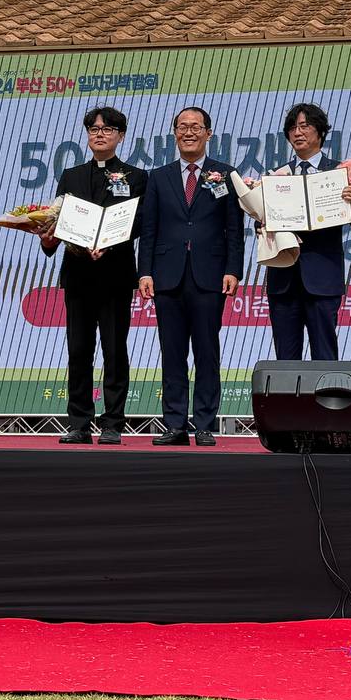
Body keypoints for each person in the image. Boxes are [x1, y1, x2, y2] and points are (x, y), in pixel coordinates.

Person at [40, 107, 148, 445]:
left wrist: (109, 246)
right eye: (93, 129)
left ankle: (113, 422)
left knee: (115, 350)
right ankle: (79, 422)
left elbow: (139, 224)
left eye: (107, 129)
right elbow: (58, 221)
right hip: (78, 274)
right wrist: (48, 237)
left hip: (115, 275)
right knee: (79, 350)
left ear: (121, 135)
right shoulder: (70, 176)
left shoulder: (136, 177)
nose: (99, 134)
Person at [137, 106, 244, 446]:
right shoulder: (159, 177)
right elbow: (149, 229)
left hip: (209, 275)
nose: (189, 132)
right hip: (167, 276)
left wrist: (233, 269)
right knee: (171, 352)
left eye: (196, 127)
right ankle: (174, 424)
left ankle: (204, 424)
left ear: (208, 134)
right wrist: (145, 273)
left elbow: (234, 230)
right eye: (182, 126)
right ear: (174, 133)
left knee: (207, 352)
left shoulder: (225, 175)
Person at [263, 103, 351, 361]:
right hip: (283, 279)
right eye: (292, 128)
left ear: (320, 132)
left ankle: (327, 401)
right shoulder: (278, 177)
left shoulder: (341, 172)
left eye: (304, 126)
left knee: (325, 356)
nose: (297, 133)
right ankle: (289, 403)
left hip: (323, 278)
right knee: (285, 361)